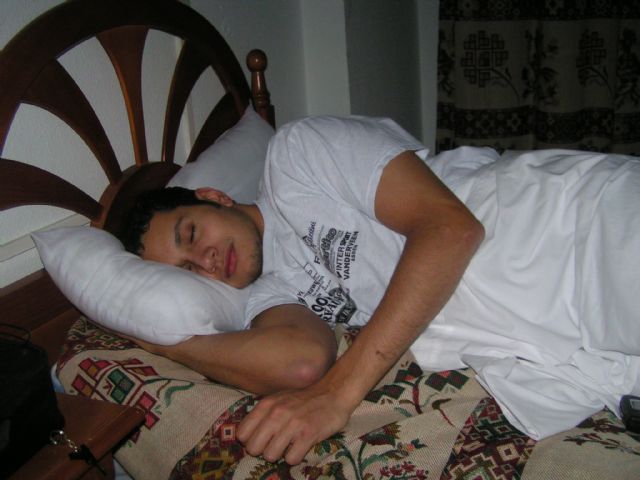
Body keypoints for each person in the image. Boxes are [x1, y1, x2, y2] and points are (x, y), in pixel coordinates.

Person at [121, 115, 640, 464]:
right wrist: (168, 342)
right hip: (547, 320)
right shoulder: (266, 295)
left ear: (215, 197)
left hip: (569, 231)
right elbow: (298, 365)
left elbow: (450, 228)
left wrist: (337, 396)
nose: (207, 261)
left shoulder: (296, 156)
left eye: (192, 234)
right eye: (189, 272)